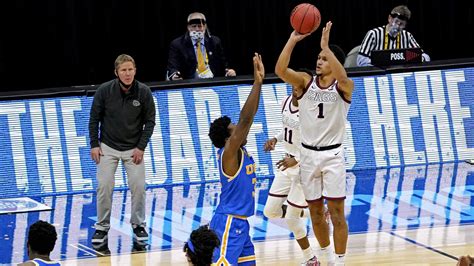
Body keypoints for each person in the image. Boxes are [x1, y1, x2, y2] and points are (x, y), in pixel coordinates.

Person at [275, 21, 354, 266]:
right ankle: (326, 257)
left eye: (324, 58)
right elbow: (280, 69)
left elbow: (343, 75)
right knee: (316, 214)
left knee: (337, 213)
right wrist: (293, 40)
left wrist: (326, 46)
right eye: (319, 57)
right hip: (307, 156)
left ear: (334, 62)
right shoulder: (305, 83)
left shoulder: (344, 87)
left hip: (332, 156)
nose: (319, 61)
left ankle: (340, 261)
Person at [89, 54, 156, 249]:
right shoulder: (104, 91)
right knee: (104, 186)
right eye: (123, 70)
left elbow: (150, 122)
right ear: (116, 72)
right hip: (107, 147)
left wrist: (141, 147)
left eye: (130, 69)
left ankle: (138, 225)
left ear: (135, 70)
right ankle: (102, 226)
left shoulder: (143, 92)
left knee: (138, 187)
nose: (127, 73)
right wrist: (94, 144)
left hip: (133, 149)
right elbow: (94, 119)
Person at [207, 52, 264, 265]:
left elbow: (249, 119)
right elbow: (246, 118)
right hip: (228, 224)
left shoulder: (239, 151)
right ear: (228, 138)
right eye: (235, 130)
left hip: (241, 224)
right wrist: (257, 83)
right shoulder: (229, 153)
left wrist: (259, 84)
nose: (242, 132)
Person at [262, 91, 319, 265]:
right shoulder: (285, 102)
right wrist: (276, 139)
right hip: (287, 164)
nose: (296, 89)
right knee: (270, 211)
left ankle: (311, 259)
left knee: (291, 219)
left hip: (304, 167)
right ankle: (312, 213)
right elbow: (289, 129)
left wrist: (296, 159)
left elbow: (316, 143)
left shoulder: (312, 112)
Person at [166, 12, 236, 80]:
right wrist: (174, 75)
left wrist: (228, 72)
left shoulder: (215, 41)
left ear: (205, 27)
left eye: (200, 26)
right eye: (194, 26)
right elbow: (172, 67)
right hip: (190, 82)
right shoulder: (177, 44)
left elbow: (223, 64)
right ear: (188, 27)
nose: (197, 29)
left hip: (212, 80)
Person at [357, 5, 430, 66]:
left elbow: (425, 57)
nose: (398, 26)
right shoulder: (373, 34)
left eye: (402, 24)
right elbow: (361, 60)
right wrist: (379, 65)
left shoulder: (407, 36)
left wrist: (411, 60)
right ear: (389, 18)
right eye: (396, 22)